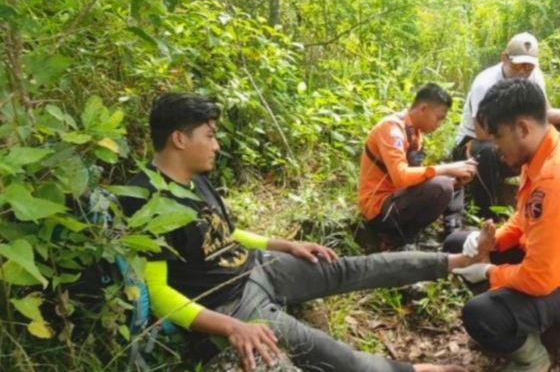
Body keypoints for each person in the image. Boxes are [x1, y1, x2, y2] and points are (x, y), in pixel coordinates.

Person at [120, 93, 476, 372]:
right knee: (328, 352)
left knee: (348, 268)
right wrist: (230, 327)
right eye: (209, 136)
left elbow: (225, 233)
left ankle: (453, 261)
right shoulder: (146, 199)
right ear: (179, 139)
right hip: (231, 303)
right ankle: (414, 370)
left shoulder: (194, 179)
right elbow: (158, 292)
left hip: (258, 265)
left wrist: (285, 244)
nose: (216, 145)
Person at [448, 78, 560, 372]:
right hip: (552, 261)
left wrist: (489, 272)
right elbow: (524, 217)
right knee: (458, 245)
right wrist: (492, 241)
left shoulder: (559, 178)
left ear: (523, 128)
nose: (494, 147)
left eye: (498, 137)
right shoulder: (539, 153)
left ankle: (532, 358)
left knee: (479, 313)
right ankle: (509, 321)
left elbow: (540, 278)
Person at [453, 32, 560, 221]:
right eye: (517, 65)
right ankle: (488, 214)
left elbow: (545, 115)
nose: (523, 72)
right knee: (487, 152)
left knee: (559, 131)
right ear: (504, 59)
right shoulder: (485, 83)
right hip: (476, 142)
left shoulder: (533, 77)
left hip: (512, 137)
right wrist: (520, 142)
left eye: (528, 66)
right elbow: (483, 133)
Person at [358, 83, 477, 248]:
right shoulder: (391, 129)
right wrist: (447, 169)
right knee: (442, 183)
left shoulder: (415, 134)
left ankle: (451, 231)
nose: (439, 124)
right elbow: (401, 177)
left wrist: (454, 180)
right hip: (378, 208)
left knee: (450, 181)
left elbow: (417, 178)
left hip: (399, 199)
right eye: (439, 117)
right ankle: (398, 238)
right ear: (424, 109)